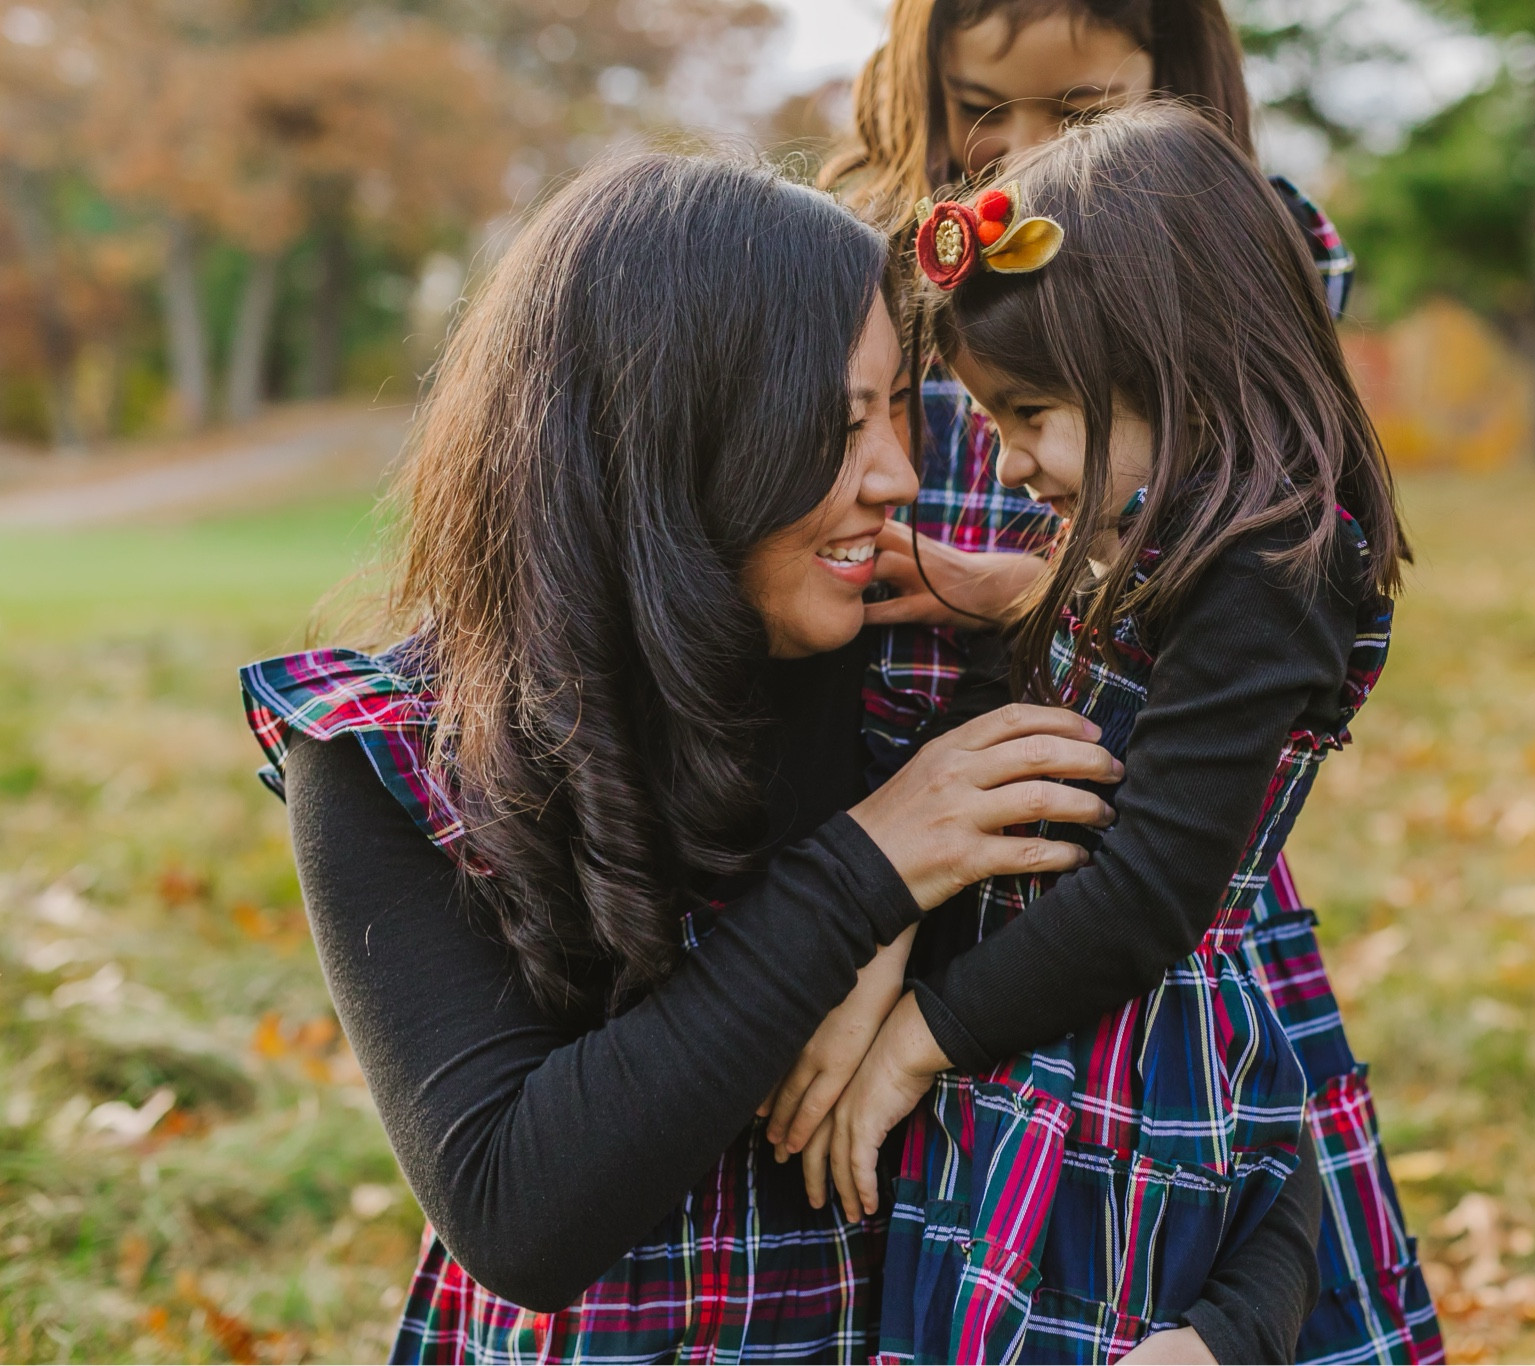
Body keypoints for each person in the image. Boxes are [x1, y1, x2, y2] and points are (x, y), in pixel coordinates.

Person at [239, 152, 1325, 1364]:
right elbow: (519, 1214)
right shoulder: (398, 756)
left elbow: (1211, 1032)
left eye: (900, 407)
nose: (901, 477)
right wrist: (869, 870)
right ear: (671, 434)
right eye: (839, 421)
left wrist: (1234, 1330)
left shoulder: (941, 674)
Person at [816, 4, 1442, 1362]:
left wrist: (923, 1030)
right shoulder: (1190, 534)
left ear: (1179, 367)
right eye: (986, 418)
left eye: (1027, 420)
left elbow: (1155, 884)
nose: (1011, 462)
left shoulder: (1271, 569)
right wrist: (1020, 587)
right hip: (1050, 1028)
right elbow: (1126, 648)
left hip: (1129, 1066)